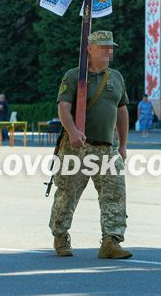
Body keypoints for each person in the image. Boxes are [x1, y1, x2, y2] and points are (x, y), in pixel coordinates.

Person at [49, 30, 132, 260]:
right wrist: (73, 131)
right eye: (103, 47)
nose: (109, 51)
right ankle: (60, 235)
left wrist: (123, 145)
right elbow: (63, 107)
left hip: (108, 148)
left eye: (110, 47)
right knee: (67, 193)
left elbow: (122, 110)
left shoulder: (116, 77)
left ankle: (111, 241)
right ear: (90, 49)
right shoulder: (74, 76)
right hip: (77, 147)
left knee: (115, 194)